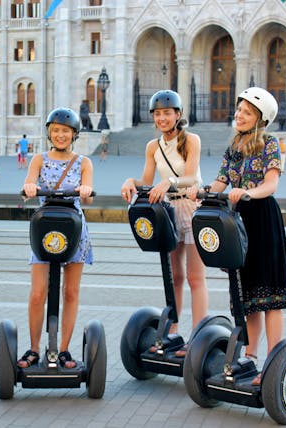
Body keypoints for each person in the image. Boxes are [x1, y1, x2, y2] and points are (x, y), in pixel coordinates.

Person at [188, 87, 286, 385]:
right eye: (239, 111)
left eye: (247, 112)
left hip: (262, 218)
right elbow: (221, 181)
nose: (240, 116)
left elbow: (271, 184)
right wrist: (201, 192)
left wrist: (249, 192)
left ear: (261, 118)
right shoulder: (234, 145)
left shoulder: (270, 144)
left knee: (270, 295)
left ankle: (273, 362)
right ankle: (251, 356)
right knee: (247, 296)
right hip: (238, 222)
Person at [121, 89, 206, 357]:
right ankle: (173, 332)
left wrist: (168, 181)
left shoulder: (191, 140)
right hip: (168, 210)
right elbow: (147, 182)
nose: (162, 118)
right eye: (157, 114)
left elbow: (191, 178)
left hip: (192, 208)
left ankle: (198, 336)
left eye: (167, 113)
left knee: (195, 277)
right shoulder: (152, 147)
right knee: (174, 277)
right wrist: (130, 182)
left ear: (178, 114)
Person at [18, 107, 94, 369]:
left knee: (71, 292)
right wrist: (29, 187)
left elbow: (87, 193)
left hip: (74, 229)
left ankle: (63, 350)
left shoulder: (84, 162)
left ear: (74, 134)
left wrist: (85, 190)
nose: (61, 135)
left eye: (66, 131)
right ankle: (34, 348)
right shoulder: (38, 159)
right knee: (38, 293)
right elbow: (29, 183)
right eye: (56, 131)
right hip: (45, 229)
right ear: (50, 133)